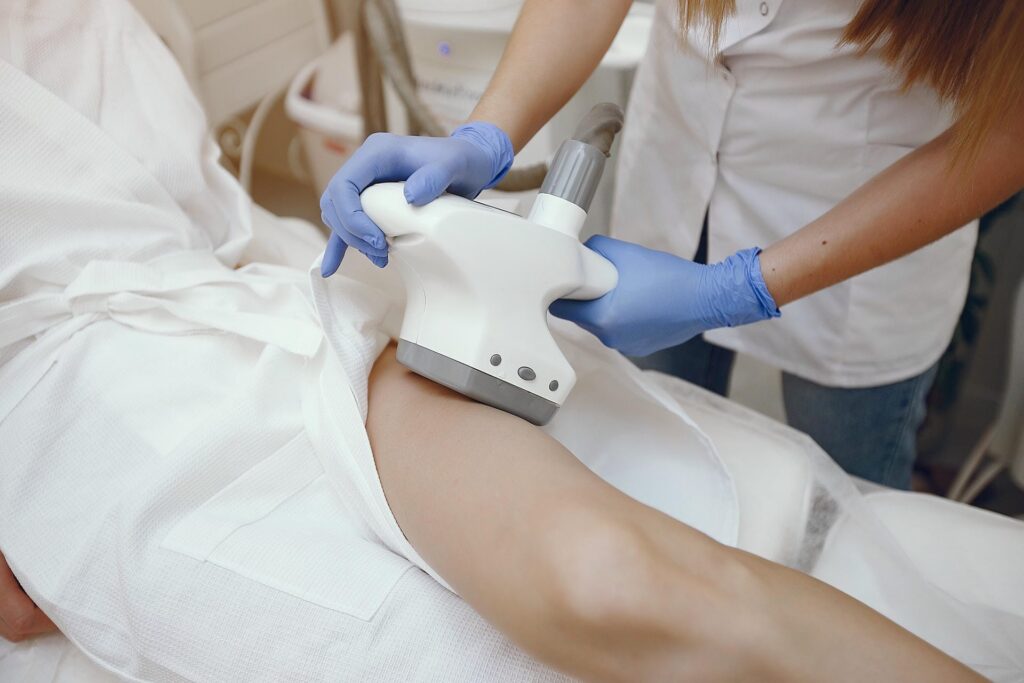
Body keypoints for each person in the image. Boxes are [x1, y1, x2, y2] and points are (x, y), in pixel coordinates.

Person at [0, 1, 1015, 680]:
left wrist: (748, 284)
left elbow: (1003, 132)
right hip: (127, 339)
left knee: (838, 469)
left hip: (862, 233)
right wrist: (485, 134)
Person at [319, 0, 1024, 489]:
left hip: (871, 221)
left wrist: (733, 290)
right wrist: (485, 132)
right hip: (678, 164)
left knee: (852, 478)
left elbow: (1009, 132)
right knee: (654, 437)